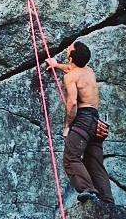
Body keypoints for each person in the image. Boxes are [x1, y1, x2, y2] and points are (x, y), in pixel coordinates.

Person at [47, 41, 114, 204]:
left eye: (69, 49)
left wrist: (67, 126)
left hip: (83, 119)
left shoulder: (70, 77)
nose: (67, 48)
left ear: (71, 57)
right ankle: (107, 200)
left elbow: (72, 104)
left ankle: (87, 189)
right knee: (94, 162)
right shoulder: (89, 71)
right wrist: (56, 65)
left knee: (71, 158)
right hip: (95, 120)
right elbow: (72, 68)